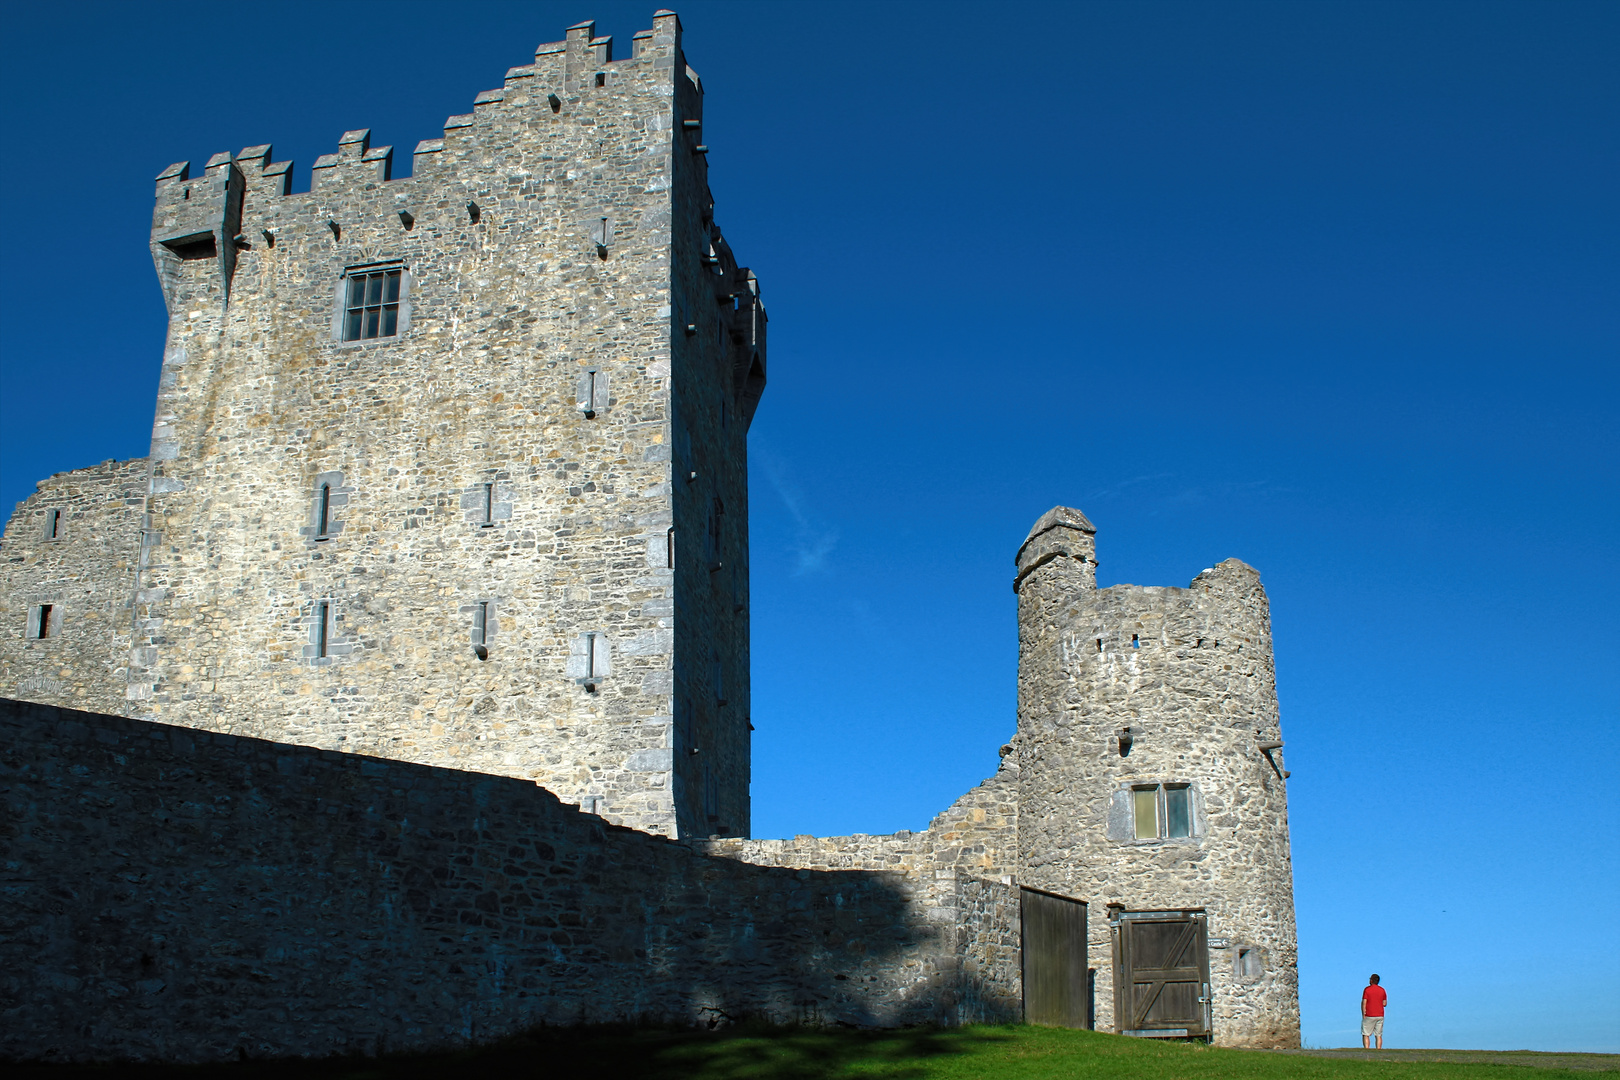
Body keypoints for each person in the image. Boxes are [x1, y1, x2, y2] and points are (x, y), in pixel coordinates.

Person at [1361, 974, 1387, 1048]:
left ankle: (1367, 1048)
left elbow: (1364, 1002)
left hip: (1370, 1014)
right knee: (1378, 1035)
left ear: (1371, 980)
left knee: (1366, 1034)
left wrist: (1363, 1013)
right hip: (1380, 1014)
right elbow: (1384, 1003)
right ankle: (1378, 1049)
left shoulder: (1367, 989)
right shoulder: (1382, 990)